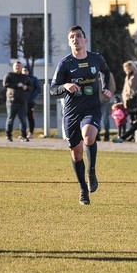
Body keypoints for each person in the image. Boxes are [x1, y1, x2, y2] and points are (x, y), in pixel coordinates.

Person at [49, 25, 112, 206]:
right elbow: (53, 89)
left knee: (89, 136)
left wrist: (105, 87)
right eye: (72, 37)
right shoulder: (65, 63)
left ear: (85, 40)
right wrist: (65, 86)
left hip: (91, 109)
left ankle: (91, 171)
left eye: (78, 36)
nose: (75, 39)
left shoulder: (96, 59)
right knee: (76, 155)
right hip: (71, 113)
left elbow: (105, 72)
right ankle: (83, 189)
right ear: (69, 43)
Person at [3, 61, 33, 142]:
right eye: (16, 66)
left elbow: (31, 87)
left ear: (21, 67)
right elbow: (5, 84)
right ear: (13, 67)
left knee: (23, 119)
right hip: (11, 101)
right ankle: (8, 135)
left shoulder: (25, 77)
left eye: (19, 66)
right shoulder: (9, 75)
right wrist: (16, 85)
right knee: (10, 119)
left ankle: (23, 136)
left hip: (22, 101)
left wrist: (26, 87)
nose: (17, 67)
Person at [120, 61, 137, 142]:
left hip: (136, 100)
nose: (126, 71)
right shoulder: (127, 76)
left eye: (127, 69)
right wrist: (124, 97)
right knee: (131, 120)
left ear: (131, 68)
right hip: (129, 101)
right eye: (125, 70)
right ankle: (132, 135)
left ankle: (136, 135)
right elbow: (125, 88)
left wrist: (136, 93)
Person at [21, 65, 40, 139]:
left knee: (30, 117)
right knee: (22, 118)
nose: (24, 72)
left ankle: (31, 132)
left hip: (30, 102)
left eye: (26, 70)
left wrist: (32, 96)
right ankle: (23, 133)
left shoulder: (33, 79)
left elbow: (38, 89)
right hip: (21, 101)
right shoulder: (20, 78)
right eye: (23, 70)